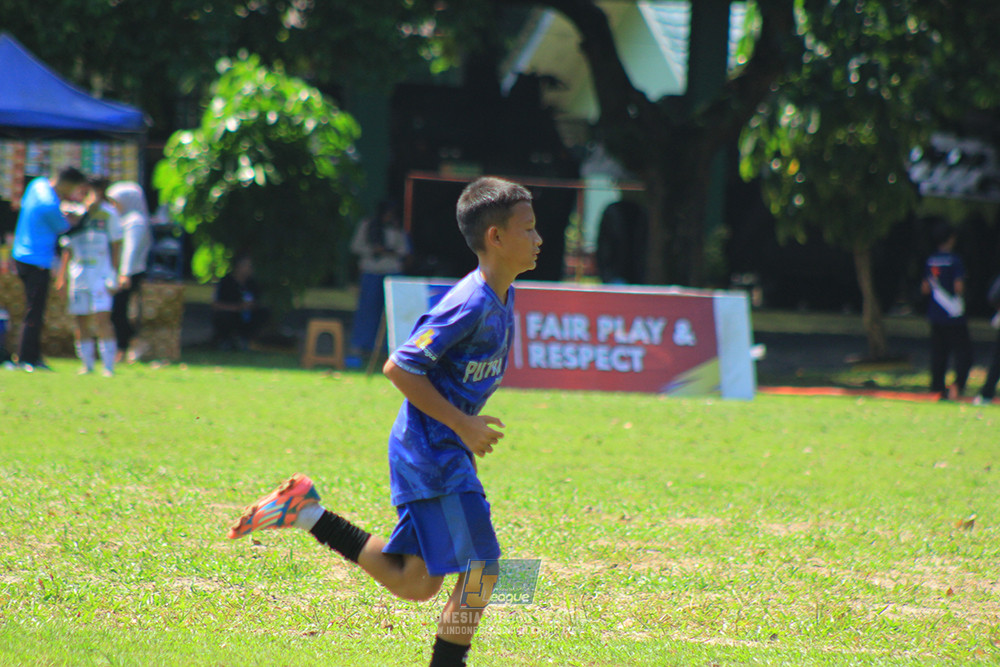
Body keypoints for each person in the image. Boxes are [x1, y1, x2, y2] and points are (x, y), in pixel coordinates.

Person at [228, 177, 542, 667]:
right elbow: (399, 366)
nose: (539, 239)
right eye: (529, 229)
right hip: (433, 451)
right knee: (485, 570)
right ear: (496, 238)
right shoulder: (471, 303)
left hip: (435, 448)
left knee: (415, 581)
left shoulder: (504, 294)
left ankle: (304, 512)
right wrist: (462, 423)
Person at [11, 166, 89, 372]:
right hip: (38, 260)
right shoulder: (49, 204)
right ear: (67, 184)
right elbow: (65, 229)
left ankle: (31, 356)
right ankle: (27, 359)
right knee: (34, 312)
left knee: (32, 310)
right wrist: (85, 216)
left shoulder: (37, 185)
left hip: (21, 254)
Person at [55, 179, 122, 376]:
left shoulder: (108, 214)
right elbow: (66, 248)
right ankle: (87, 364)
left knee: (102, 318)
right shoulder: (73, 214)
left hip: (100, 272)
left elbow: (117, 245)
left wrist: (114, 273)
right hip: (79, 273)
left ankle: (108, 365)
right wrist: (62, 276)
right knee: (80, 319)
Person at [346, 200, 410, 367]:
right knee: (366, 310)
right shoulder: (367, 225)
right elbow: (355, 247)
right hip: (371, 272)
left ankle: (390, 350)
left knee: (391, 313)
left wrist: (389, 251)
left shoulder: (397, 228)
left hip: (392, 273)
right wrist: (373, 250)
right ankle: (360, 347)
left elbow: (405, 251)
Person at [921, 218, 972, 400]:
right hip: (954, 313)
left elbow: (925, 288)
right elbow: (958, 287)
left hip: (936, 313)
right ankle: (957, 386)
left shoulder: (931, 260)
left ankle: (937, 388)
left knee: (938, 354)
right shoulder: (955, 260)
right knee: (963, 353)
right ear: (951, 238)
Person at [106, 181, 153, 363]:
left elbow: (131, 250)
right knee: (118, 310)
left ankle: (125, 346)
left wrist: (124, 273)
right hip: (124, 271)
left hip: (130, 272)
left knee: (118, 310)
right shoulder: (125, 219)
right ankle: (126, 346)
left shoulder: (135, 221)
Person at [211, 253, 266, 350]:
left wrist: (250, 306)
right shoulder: (226, 282)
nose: (250, 269)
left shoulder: (252, 283)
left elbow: (257, 301)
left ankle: (246, 340)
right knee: (224, 316)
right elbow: (216, 304)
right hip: (230, 313)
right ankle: (225, 341)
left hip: (247, 314)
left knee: (262, 314)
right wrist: (237, 307)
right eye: (247, 265)